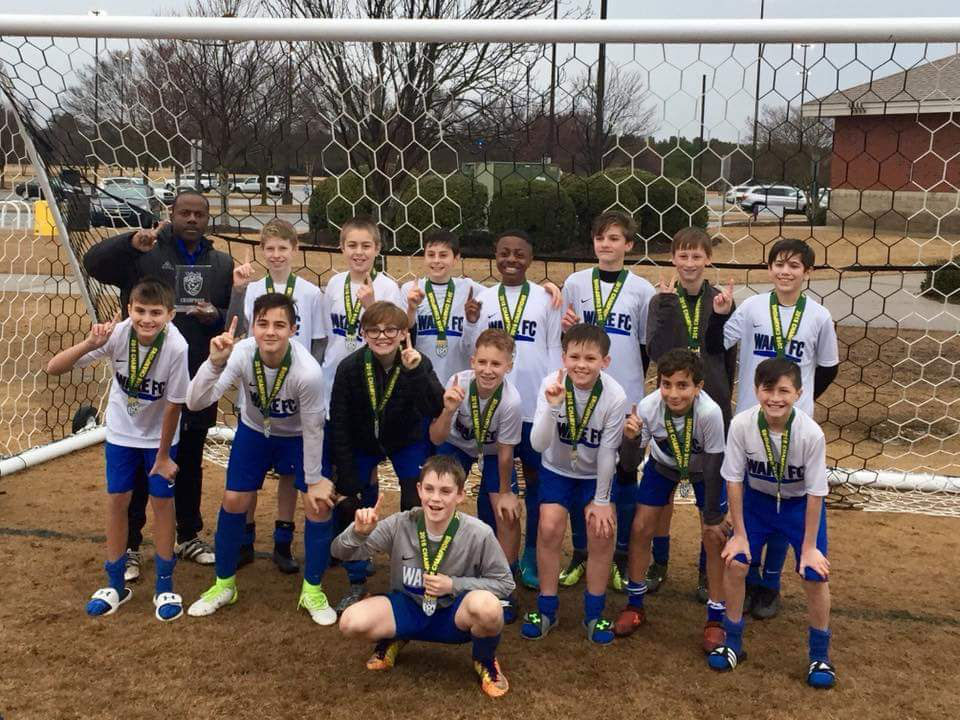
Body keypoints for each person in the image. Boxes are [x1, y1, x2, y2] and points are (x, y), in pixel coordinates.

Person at [82, 190, 233, 580]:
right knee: (137, 468)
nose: (192, 219)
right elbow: (93, 263)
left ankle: (188, 534)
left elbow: (227, 316)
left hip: (195, 375)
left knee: (190, 458)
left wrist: (214, 316)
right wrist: (129, 242)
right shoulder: (145, 252)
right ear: (172, 213)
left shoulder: (221, 263)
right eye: (185, 212)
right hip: (144, 381)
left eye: (199, 214)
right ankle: (131, 544)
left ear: (207, 218)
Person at [184, 294, 338, 625]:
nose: (270, 331)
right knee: (234, 499)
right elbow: (195, 402)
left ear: (293, 330)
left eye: (280, 325)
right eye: (263, 323)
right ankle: (224, 585)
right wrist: (213, 363)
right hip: (255, 432)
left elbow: (313, 429)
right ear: (253, 326)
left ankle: (312, 590)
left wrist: (314, 480)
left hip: (298, 436)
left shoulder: (307, 372)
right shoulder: (241, 354)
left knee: (318, 504)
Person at [706, 237, 839, 620]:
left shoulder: (819, 317)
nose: (785, 271)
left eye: (794, 265)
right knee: (753, 497)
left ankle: (770, 583)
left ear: (807, 272)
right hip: (752, 421)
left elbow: (828, 367)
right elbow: (716, 345)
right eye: (779, 263)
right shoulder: (751, 308)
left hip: (794, 425)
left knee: (786, 495)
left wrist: (796, 401)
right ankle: (746, 577)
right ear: (769, 269)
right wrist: (720, 315)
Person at [46, 278, 189, 621]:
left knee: (162, 503)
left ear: (170, 314)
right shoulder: (117, 334)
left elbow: (174, 405)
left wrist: (163, 456)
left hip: (159, 439)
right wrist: (90, 343)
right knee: (117, 501)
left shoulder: (177, 346)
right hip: (122, 435)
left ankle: (165, 585)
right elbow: (54, 368)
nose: (147, 319)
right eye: (140, 311)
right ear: (129, 310)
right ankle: (115, 584)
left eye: (156, 312)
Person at [333, 455, 515, 698]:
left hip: (453, 616)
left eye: (445, 491)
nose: (435, 498)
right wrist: (358, 533)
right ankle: (395, 636)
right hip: (409, 607)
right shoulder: (400, 523)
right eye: (429, 489)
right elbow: (340, 552)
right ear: (419, 490)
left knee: (489, 608)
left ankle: (485, 659)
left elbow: (505, 583)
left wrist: (453, 584)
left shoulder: (479, 533)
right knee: (350, 622)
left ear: (460, 495)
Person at [707, 358, 836, 690]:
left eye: (784, 391)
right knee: (736, 562)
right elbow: (734, 480)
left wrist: (810, 547)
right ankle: (732, 642)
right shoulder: (741, 424)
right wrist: (739, 534)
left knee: (814, 573)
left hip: (798, 507)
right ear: (755, 390)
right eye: (768, 389)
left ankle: (819, 656)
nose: (775, 398)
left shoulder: (811, 434)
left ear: (799, 394)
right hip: (757, 503)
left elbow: (816, 493)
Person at [559, 210, 655, 591]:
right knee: (580, 468)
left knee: (625, 471)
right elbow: (566, 338)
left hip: (625, 394)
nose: (606, 244)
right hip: (582, 394)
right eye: (600, 237)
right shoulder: (574, 283)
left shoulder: (643, 290)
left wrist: (630, 384)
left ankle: (620, 555)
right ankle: (582, 552)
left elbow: (645, 346)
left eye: (614, 238)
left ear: (628, 244)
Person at [328, 301, 445, 611]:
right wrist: (347, 477)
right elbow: (339, 422)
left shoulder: (418, 362)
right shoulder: (349, 367)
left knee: (417, 500)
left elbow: (436, 407)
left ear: (404, 333)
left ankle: (415, 571)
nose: (382, 336)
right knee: (354, 501)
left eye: (390, 330)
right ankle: (357, 580)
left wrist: (416, 372)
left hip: (406, 439)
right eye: (374, 330)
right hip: (363, 441)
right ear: (363, 333)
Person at [464, 229, 563, 591]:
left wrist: (552, 400)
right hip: (495, 409)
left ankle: (532, 553)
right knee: (493, 482)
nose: (511, 259)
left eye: (519, 254)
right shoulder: (483, 298)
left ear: (531, 259)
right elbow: (470, 350)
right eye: (504, 252)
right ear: (495, 255)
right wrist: (471, 321)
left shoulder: (546, 298)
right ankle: (491, 555)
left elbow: (554, 348)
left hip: (535, 409)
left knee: (538, 480)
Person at [643, 226, 737, 601]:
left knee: (710, 490)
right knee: (663, 488)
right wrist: (667, 307)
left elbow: (725, 356)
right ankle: (660, 561)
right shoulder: (661, 301)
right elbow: (656, 352)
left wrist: (722, 397)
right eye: (683, 255)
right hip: (673, 403)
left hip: (710, 405)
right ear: (672, 259)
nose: (689, 263)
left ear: (708, 259)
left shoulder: (722, 300)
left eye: (697, 256)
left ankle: (705, 569)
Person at [227, 218, 325, 574]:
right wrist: (238, 292)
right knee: (249, 477)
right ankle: (245, 539)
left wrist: (305, 380)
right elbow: (236, 329)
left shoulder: (311, 293)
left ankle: (283, 541)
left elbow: (318, 343)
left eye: (283, 248)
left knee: (288, 476)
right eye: (270, 248)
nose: (276, 254)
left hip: (295, 398)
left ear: (295, 250)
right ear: (262, 251)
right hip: (257, 397)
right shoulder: (253, 289)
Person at [614, 349, 728, 653]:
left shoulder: (710, 413)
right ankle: (635, 604)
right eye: (666, 384)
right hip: (663, 465)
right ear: (658, 384)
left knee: (715, 536)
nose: (673, 393)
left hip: (704, 471)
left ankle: (716, 618)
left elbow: (714, 466)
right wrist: (630, 439)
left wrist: (713, 516)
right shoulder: (649, 407)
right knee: (640, 528)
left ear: (698, 387)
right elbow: (629, 465)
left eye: (682, 385)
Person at [522, 323, 627, 645]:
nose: (581, 365)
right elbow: (538, 444)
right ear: (563, 357)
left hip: (594, 474)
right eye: (575, 357)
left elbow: (608, 452)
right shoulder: (550, 384)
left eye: (590, 358)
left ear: (605, 362)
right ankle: (547, 608)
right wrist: (553, 408)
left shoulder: (615, 395)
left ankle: (594, 614)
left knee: (601, 532)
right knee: (549, 527)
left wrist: (602, 500)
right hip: (556, 470)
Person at [430, 328, 523, 622]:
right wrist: (448, 411)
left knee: (506, 512)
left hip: (494, 452)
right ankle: (435, 567)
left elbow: (506, 453)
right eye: (482, 362)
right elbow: (436, 437)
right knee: (437, 497)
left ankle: (506, 582)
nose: (487, 370)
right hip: (456, 445)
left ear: (509, 366)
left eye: (496, 364)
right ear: (472, 361)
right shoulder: (458, 383)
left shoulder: (511, 400)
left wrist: (505, 493)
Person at [402, 228, 563, 385]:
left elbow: (554, 346)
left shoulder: (474, 291)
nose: (437, 260)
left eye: (443, 255)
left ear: (456, 258)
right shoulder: (411, 290)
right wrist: (412, 308)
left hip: (533, 385)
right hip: (428, 377)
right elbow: (403, 331)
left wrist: (549, 289)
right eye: (431, 255)